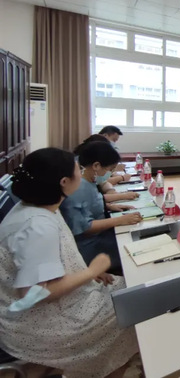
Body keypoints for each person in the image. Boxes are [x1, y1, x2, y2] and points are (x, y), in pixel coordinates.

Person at [0, 148, 138, 377]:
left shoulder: (41, 207)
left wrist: (85, 272)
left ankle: (114, 362)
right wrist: (90, 271)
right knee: (131, 306)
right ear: (64, 182)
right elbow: (35, 293)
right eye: (78, 170)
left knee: (130, 289)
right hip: (38, 322)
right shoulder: (37, 225)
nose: (82, 174)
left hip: (56, 304)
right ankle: (110, 367)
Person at [60, 142, 142, 274]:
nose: (109, 174)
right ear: (96, 165)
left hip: (101, 235)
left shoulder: (89, 181)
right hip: (91, 246)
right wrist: (120, 220)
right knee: (137, 250)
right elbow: (84, 227)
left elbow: (90, 204)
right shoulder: (79, 187)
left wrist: (109, 206)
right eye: (109, 169)